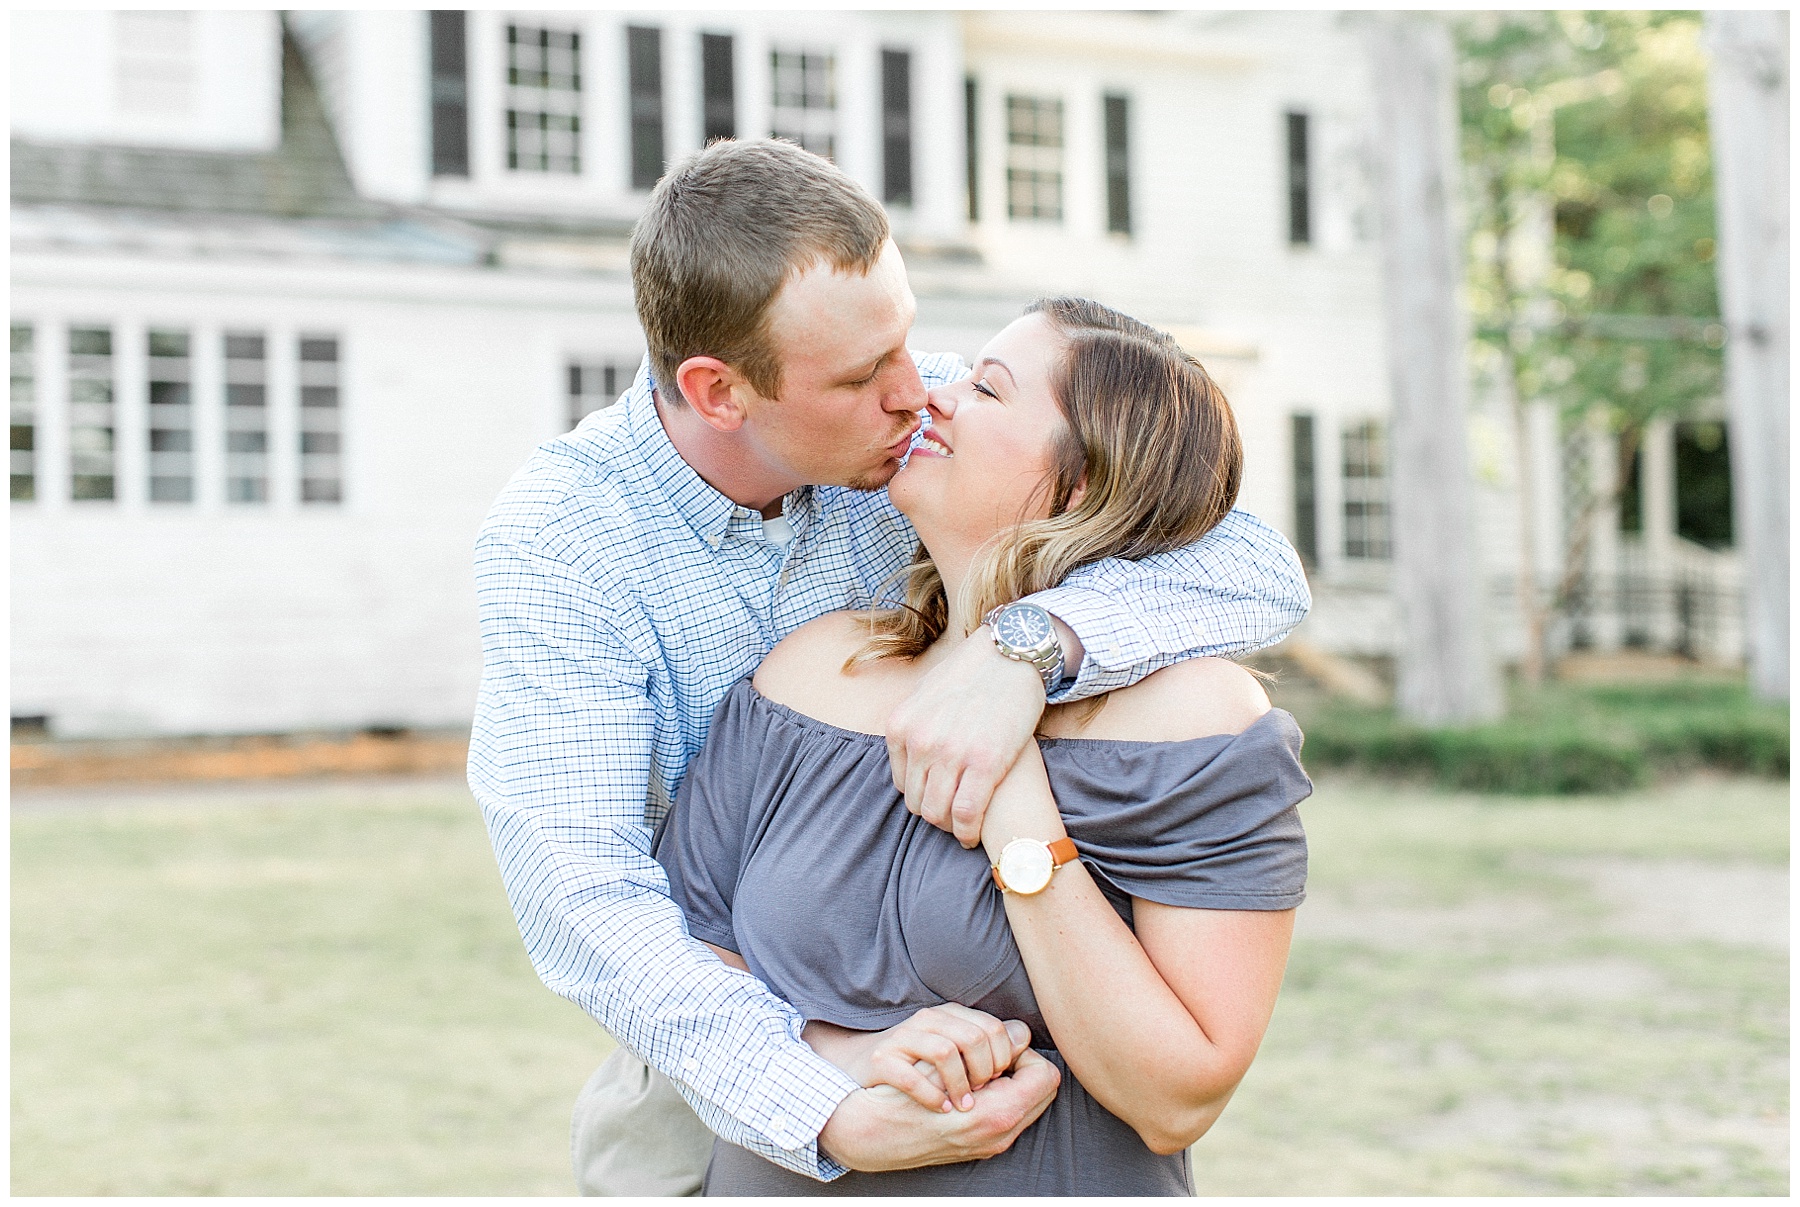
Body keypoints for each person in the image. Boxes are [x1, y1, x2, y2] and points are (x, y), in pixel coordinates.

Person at [468, 139, 1311, 1191]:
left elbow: (1242, 555)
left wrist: (1022, 652)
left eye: (909, 342)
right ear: (719, 392)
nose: (917, 391)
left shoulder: (921, 423)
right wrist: (829, 1087)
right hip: (703, 1056)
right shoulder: (564, 546)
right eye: (867, 375)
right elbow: (587, 897)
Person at [655, 297, 1310, 1194]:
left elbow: (1177, 1097)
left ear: (1081, 482)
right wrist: (837, 1054)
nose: (936, 396)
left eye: (988, 389)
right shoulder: (809, 672)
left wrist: (1012, 795)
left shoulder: (1192, 718)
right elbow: (682, 951)